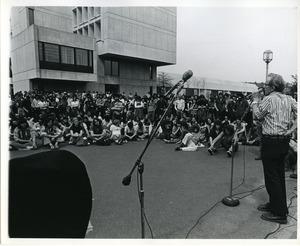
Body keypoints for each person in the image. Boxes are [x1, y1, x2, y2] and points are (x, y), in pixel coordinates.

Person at [252, 73, 297, 224]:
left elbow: (257, 116)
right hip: (283, 141)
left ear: (272, 87)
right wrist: (292, 129)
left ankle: (279, 213)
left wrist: (255, 101)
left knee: (272, 177)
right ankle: (275, 204)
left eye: (266, 84)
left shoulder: (269, 99)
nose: (263, 86)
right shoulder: (289, 99)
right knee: (278, 175)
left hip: (271, 141)